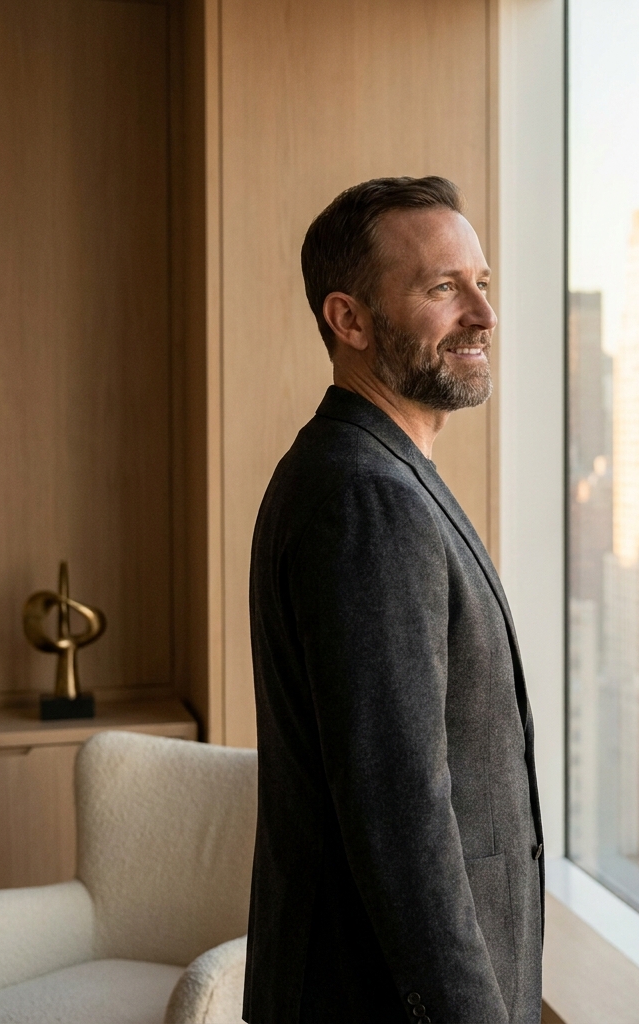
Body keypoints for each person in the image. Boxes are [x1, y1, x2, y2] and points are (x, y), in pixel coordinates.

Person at [242, 177, 544, 1024]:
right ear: (349, 319)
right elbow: (402, 815)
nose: (482, 315)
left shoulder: (371, 472)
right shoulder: (365, 498)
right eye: (443, 289)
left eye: (482, 284)